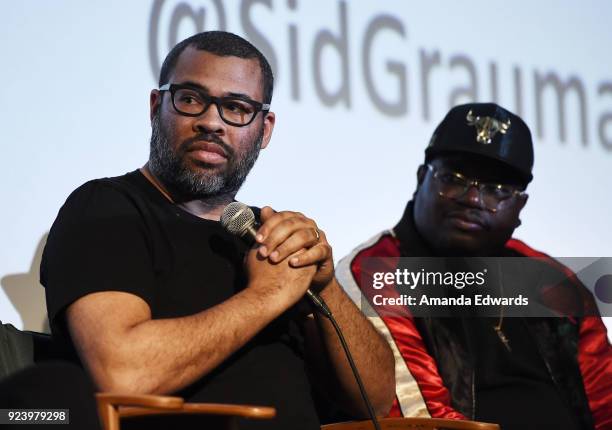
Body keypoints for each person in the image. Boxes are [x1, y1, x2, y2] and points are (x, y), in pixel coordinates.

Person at [40, 31, 395, 430]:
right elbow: (124, 375)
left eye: (236, 107)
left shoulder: (268, 235)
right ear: (157, 106)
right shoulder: (106, 208)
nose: (211, 122)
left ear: (265, 130)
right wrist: (265, 296)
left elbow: (378, 400)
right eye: (191, 99)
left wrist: (325, 286)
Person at [337, 103, 612, 430]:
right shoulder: (376, 270)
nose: (473, 199)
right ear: (421, 178)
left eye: (497, 190)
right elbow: (422, 418)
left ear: (520, 205)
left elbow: (605, 402)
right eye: (454, 179)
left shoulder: (553, 281)